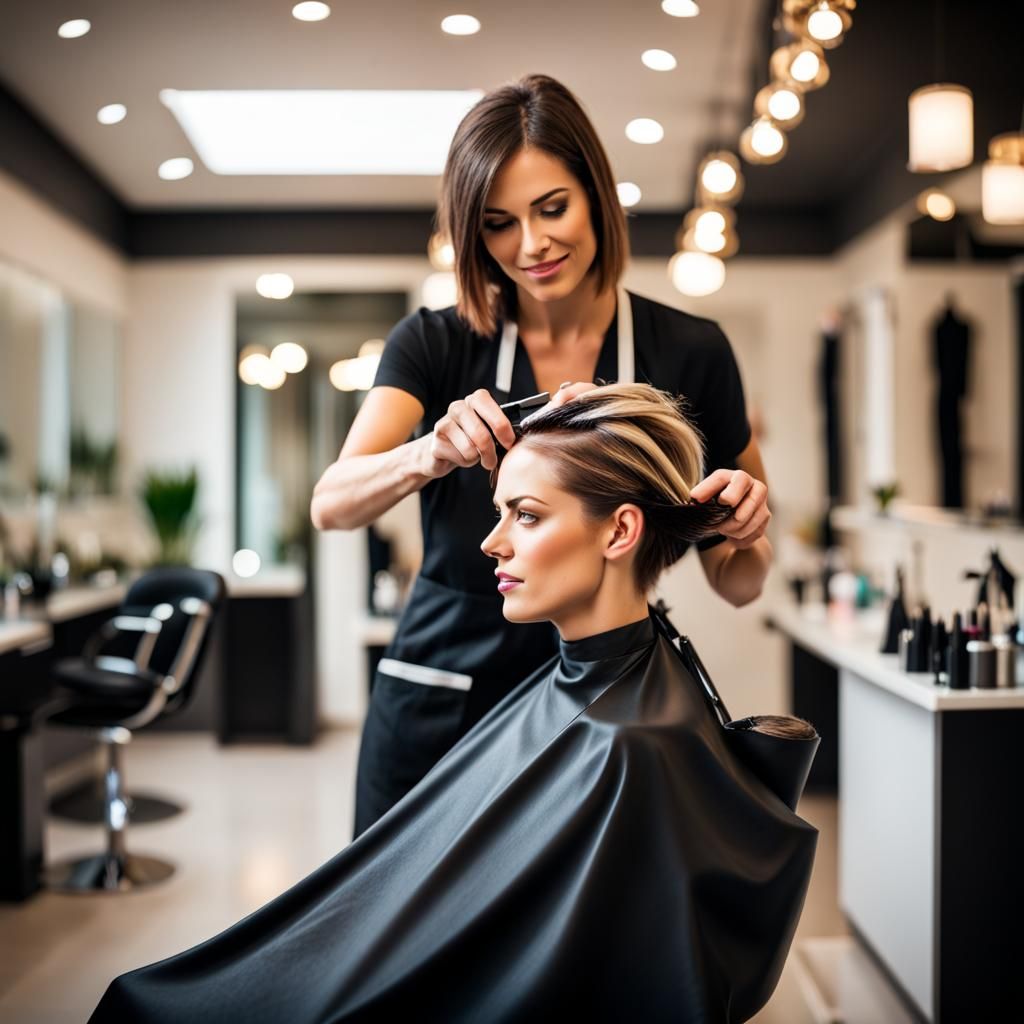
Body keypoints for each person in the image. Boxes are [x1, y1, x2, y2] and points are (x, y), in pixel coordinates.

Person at [91, 384, 816, 1024]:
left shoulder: (626, 746)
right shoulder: (601, 701)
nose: (491, 543)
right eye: (500, 513)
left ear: (621, 531)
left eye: (525, 516)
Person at [310, 73, 774, 838]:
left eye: (552, 208)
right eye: (498, 224)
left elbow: (740, 584)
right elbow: (332, 504)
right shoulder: (435, 343)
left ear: (596, 193)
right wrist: (427, 453)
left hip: (608, 697)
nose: (532, 245)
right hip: (442, 699)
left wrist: (746, 530)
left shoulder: (691, 352)